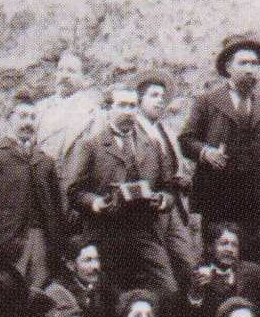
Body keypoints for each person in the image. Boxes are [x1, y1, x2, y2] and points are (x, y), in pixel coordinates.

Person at [180, 35, 260, 264]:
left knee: (256, 258)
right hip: (220, 195)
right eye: (243, 63)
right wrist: (206, 153)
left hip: (258, 196)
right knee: (218, 257)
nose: (250, 69)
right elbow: (186, 140)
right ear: (228, 67)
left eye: (254, 63)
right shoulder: (207, 101)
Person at [67, 83, 178, 298]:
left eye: (133, 106)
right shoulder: (91, 145)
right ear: (109, 109)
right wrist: (97, 203)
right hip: (105, 233)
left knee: (168, 289)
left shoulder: (152, 144)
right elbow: (73, 191)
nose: (129, 112)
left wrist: (162, 200)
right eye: (123, 106)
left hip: (144, 232)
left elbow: (168, 187)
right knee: (111, 295)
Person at [0, 92, 67, 289]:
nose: (28, 122)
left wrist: (58, 247)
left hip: (41, 246)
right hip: (5, 246)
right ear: (9, 118)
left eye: (32, 117)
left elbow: (57, 210)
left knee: (38, 298)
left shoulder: (45, 161)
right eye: (22, 116)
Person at [135, 71, 200, 291]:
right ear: (139, 100)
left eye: (163, 96)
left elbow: (177, 167)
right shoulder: (132, 132)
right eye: (153, 95)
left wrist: (183, 180)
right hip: (145, 214)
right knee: (161, 279)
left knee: (188, 266)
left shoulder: (166, 132)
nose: (160, 100)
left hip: (171, 209)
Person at [184, 222, 260, 317]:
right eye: (224, 244)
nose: (229, 249)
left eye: (234, 245)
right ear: (210, 247)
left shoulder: (252, 272)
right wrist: (197, 290)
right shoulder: (198, 275)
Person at [44, 235, 120, 317]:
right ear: (70, 265)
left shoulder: (101, 283)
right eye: (88, 260)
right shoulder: (58, 292)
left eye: (97, 259)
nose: (95, 266)